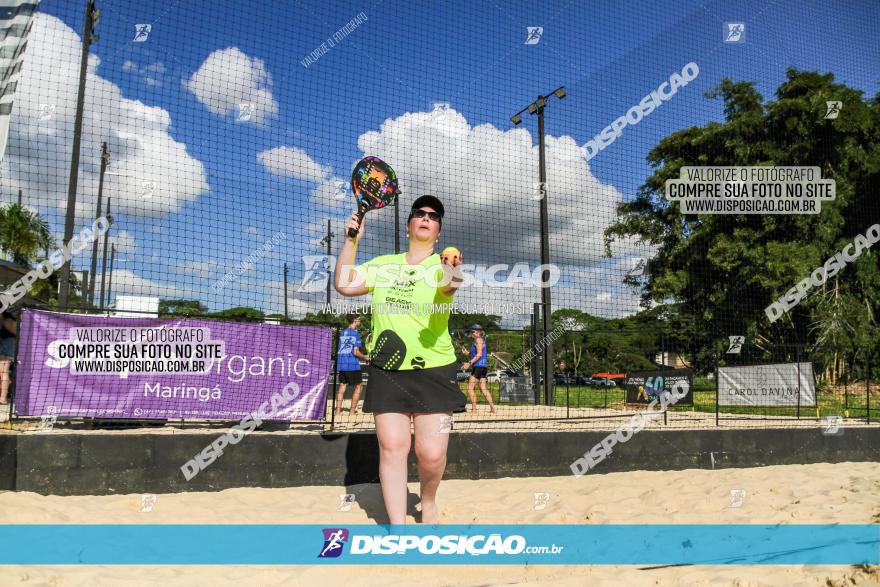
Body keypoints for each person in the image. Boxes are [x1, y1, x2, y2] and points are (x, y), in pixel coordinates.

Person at [334, 194, 466, 525]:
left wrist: (453, 271)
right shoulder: (383, 264)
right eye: (419, 213)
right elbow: (343, 284)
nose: (425, 217)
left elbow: (449, 289)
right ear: (409, 224)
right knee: (393, 448)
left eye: (433, 216)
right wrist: (351, 241)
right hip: (387, 369)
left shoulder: (442, 265)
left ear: (438, 230)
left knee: (431, 453)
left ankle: (429, 501)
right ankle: (397, 527)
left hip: (435, 368)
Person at [335, 314, 369, 415]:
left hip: (342, 364)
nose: (360, 321)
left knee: (342, 387)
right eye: (359, 319)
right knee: (359, 386)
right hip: (352, 364)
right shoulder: (355, 333)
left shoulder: (342, 332)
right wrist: (365, 357)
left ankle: (338, 412)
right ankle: (352, 412)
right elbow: (356, 352)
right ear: (354, 320)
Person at [461, 324, 497, 413]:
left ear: (478, 332)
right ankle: (493, 408)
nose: (471, 333)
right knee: (483, 388)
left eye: (473, 332)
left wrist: (469, 363)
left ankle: (474, 409)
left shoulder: (478, 340)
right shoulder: (477, 340)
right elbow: (476, 353)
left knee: (469, 387)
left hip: (478, 366)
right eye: (471, 332)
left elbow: (479, 354)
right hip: (483, 367)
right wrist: (468, 353)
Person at [0, 309, 18, 405]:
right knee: (3, 372)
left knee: (3, 372)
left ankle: (3, 398)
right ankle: (2, 397)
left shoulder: (7, 320)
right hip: (7, 345)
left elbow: (15, 331)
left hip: (7, 345)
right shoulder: (7, 319)